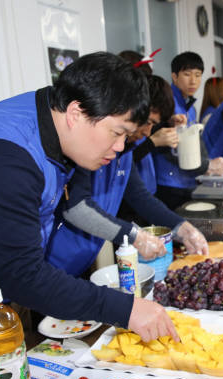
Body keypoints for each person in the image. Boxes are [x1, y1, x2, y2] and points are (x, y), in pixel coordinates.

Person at [0, 52, 180, 344]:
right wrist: (125, 309)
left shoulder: (54, 120)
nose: (119, 147)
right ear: (76, 113)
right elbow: (22, 275)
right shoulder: (3, 158)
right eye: (117, 133)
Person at [46, 74, 209, 278]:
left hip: (84, 256)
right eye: (147, 122)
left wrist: (182, 228)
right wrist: (135, 236)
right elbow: (77, 207)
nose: (148, 131)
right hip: (54, 260)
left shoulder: (126, 150)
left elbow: (139, 196)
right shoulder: (89, 147)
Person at [152, 51, 223, 210]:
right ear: (174, 76)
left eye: (198, 75)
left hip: (188, 180)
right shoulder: (167, 102)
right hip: (169, 182)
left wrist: (206, 165)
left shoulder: (189, 107)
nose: (193, 81)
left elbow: (196, 140)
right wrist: (206, 165)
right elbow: (167, 147)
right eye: (187, 74)